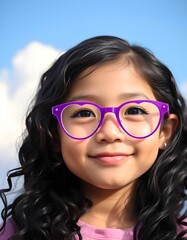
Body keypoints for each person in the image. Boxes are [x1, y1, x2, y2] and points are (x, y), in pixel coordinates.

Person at [0, 36, 187, 240]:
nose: (109, 133)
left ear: (165, 131)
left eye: (134, 110)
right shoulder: (16, 235)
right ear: (54, 135)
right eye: (84, 113)